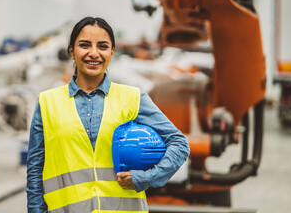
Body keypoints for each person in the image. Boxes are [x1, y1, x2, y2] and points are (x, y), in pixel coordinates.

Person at [26, 17, 190, 213]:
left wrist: (145, 179)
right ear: (71, 51)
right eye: (84, 45)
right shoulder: (47, 102)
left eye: (103, 46)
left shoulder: (133, 98)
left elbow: (179, 143)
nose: (93, 53)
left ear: (112, 52)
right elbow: (35, 171)